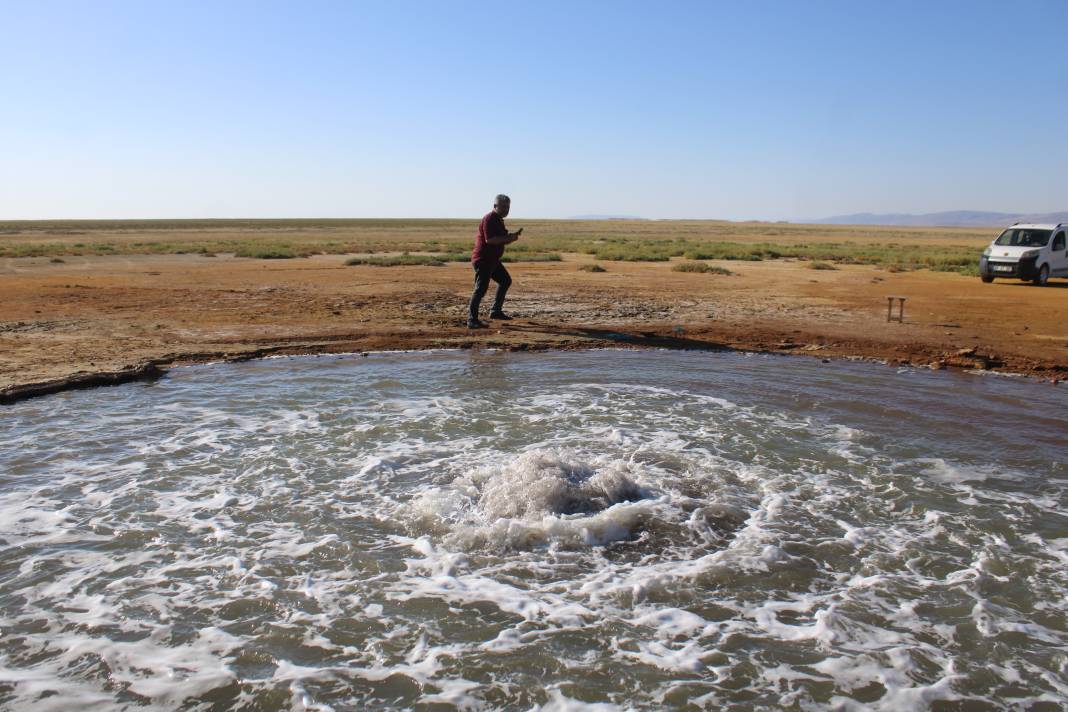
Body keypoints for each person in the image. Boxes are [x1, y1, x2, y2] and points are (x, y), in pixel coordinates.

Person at [467, 194, 523, 328]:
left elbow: (500, 239)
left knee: (505, 281)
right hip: (483, 260)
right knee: (480, 289)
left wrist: (511, 238)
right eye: (503, 207)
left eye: (507, 207)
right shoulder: (490, 219)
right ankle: (472, 320)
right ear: (495, 206)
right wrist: (508, 238)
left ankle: (495, 311)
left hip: (492, 260)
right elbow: (490, 240)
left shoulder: (498, 220)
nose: (506, 209)